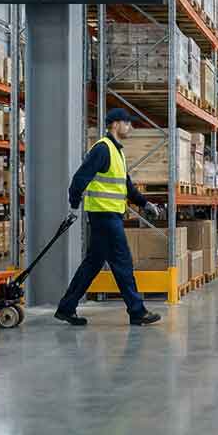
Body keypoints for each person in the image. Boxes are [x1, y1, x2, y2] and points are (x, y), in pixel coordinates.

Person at [56, 108, 162, 327]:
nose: (130, 127)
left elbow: (127, 186)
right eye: (127, 123)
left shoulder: (117, 152)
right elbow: (79, 179)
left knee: (92, 264)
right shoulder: (102, 149)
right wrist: (74, 205)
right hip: (104, 216)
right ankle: (137, 311)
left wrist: (145, 203)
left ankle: (66, 307)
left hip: (109, 216)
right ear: (115, 124)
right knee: (122, 262)